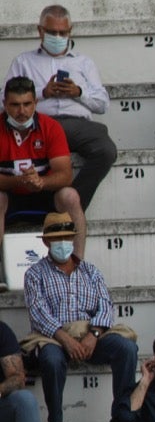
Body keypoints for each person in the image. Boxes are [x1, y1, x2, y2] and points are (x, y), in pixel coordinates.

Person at [19, 217, 135, 422]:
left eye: (66, 237)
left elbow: (106, 305)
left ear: (73, 239)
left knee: (126, 348)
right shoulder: (34, 274)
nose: (63, 242)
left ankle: (122, 413)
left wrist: (94, 335)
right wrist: (66, 340)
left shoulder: (91, 271)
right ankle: (56, 420)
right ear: (46, 242)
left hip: (91, 333)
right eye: (57, 238)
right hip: (54, 336)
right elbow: (38, 312)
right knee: (51, 360)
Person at [6, 5, 116, 212]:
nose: (58, 37)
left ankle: (68, 206)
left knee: (106, 150)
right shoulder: (24, 61)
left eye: (62, 33)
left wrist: (79, 92)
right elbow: (4, 100)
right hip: (38, 124)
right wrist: (42, 92)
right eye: (52, 32)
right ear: (40, 31)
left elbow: (103, 104)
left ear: (70, 31)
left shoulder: (84, 63)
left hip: (77, 125)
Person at [2, 80, 86, 287]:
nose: (21, 111)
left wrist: (41, 182)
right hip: (10, 197)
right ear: (5, 104)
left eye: (27, 104)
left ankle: (77, 267)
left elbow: (65, 175)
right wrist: (20, 180)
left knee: (70, 196)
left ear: (36, 102)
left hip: (44, 196)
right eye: (15, 105)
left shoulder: (50, 127)